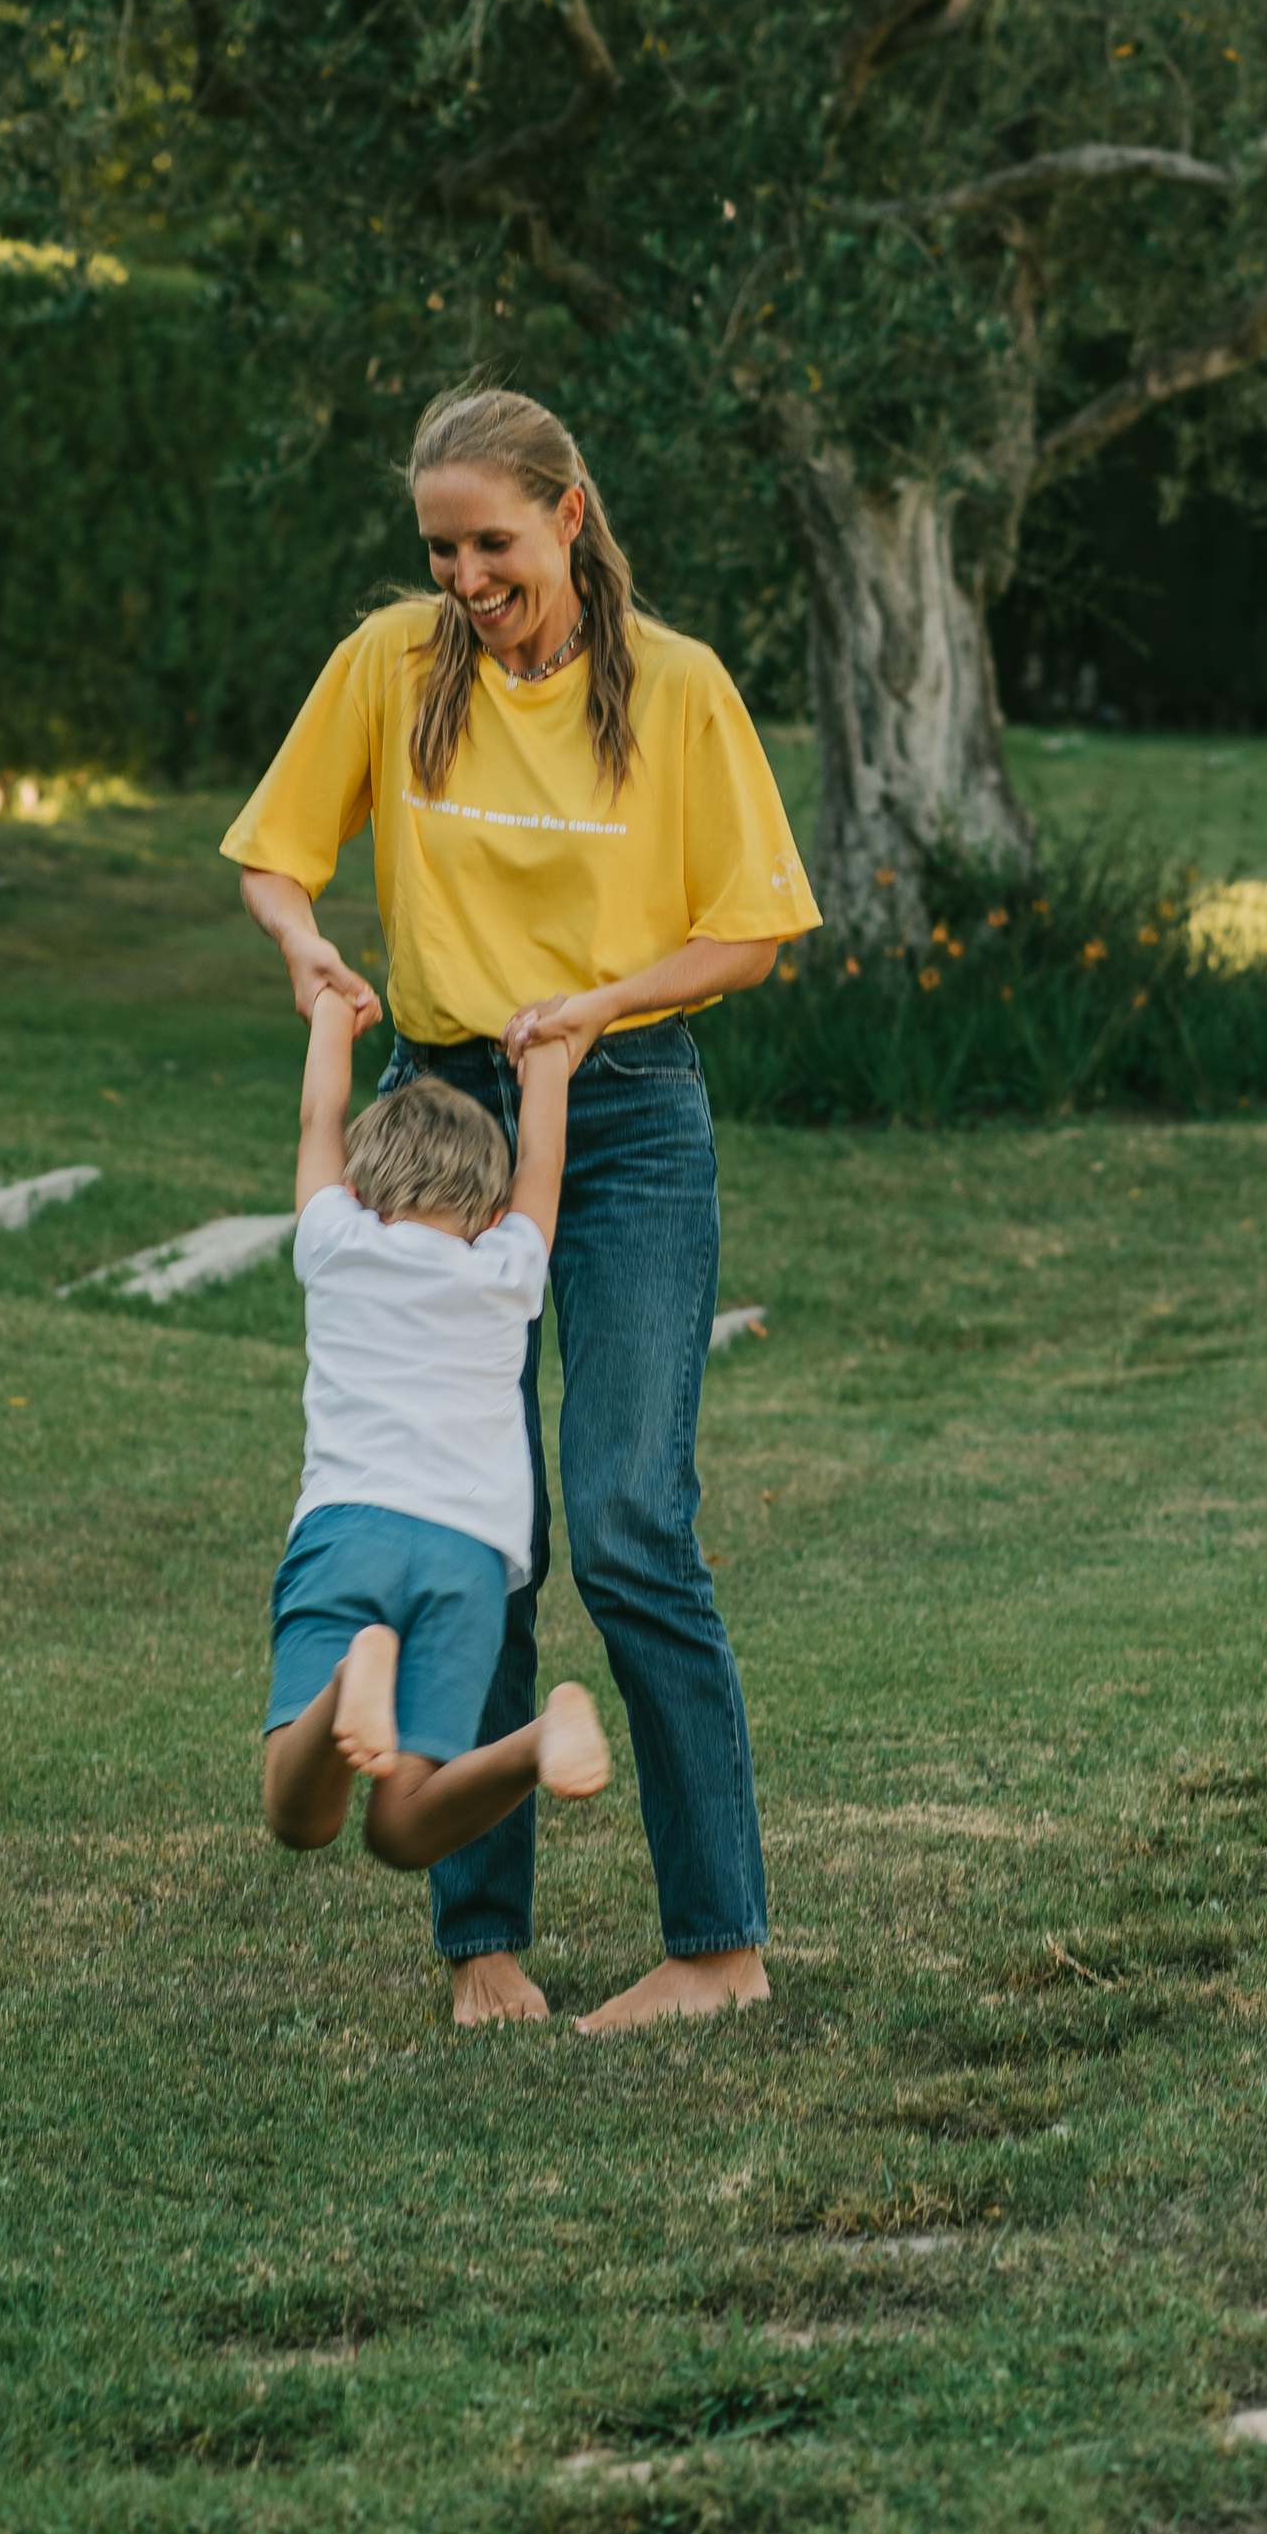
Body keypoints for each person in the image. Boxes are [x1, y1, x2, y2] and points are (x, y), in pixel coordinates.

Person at [223, 381, 821, 2033]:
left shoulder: (678, 688)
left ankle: (719, 1947)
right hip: (438, 1118)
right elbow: (276, 855)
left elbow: (752, 930)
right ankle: (481, 1944)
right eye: (440, 550)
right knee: (472, 1529)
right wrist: (305, 943)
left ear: (569, 513)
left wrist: (598, 1006)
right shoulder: (390, 664)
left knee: (630, 1517)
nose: (466, 579)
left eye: (491, 543)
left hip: (622, 1112)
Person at [260, 988, 613, 1869]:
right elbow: (543, 1157)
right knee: (404, 1828)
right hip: (467, 1558)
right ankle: (538, 1740)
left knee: (299, 1819)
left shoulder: (335, 1240)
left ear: (354, 1190)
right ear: (492, 1218)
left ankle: (349, 1678)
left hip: (350, 1532)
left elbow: (318, 1116)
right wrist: (547, 1059)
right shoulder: (506, 1267)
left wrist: (334, 1014)